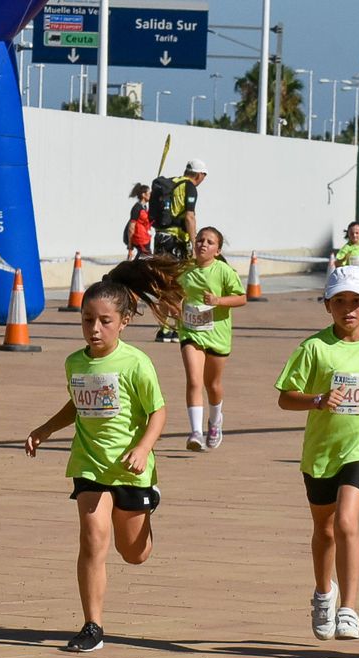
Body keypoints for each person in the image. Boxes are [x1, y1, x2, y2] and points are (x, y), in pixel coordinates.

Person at [24, 277, 179, 653]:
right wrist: (45, 429)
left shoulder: (136, 363)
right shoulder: (75, 362)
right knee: (93, 539)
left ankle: (147, 511)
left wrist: (143, 449)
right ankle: (92, 626)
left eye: (105, 321)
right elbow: (76, 404)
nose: (95, 328)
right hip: (89, 465)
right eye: (87, 319)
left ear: (124, 321)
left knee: (134, 553)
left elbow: (157, 413)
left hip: (130, 469)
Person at [275, 266, 359, 642]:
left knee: (346, 523)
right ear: (327, 306)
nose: (348, 309)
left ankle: (349, 608)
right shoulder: (314, 349)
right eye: (340, 302)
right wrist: (317, 400)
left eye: (356, 302)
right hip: (321, 452)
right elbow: (285, 397)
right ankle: (324, 592)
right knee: (324, 529)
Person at [136, 227, 245, 451]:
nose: (203, 244)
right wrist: (173, 307)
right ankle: (195, 432)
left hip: (217, 335)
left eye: (210, 242)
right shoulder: (184, 269)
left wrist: (218, 300)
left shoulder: (223, 271)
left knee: (212, 384)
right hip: (190, 332)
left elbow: (241, 298)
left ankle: (215, 421)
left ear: (217, 250)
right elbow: (170, 294)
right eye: (200, 240)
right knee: (194, 380)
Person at [150, 158, 209, 342]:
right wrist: (194, 243)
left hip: (160, 238)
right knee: (177, 285)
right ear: (199, 175)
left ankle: (164, 329)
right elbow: (189, 217)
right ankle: (174, 328)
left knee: (164, 284)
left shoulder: (171, 183)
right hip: (175, 241)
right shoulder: (189, 187)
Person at [124, 183, 152, 260]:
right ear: (143, 195)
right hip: (140, 239)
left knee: (143, 259)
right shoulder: (136, 208)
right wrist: (130, 246)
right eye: (149, 193)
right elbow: (131, 227)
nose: (150, 195)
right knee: (148, 259)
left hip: (145, 238)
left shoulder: (144, 207)